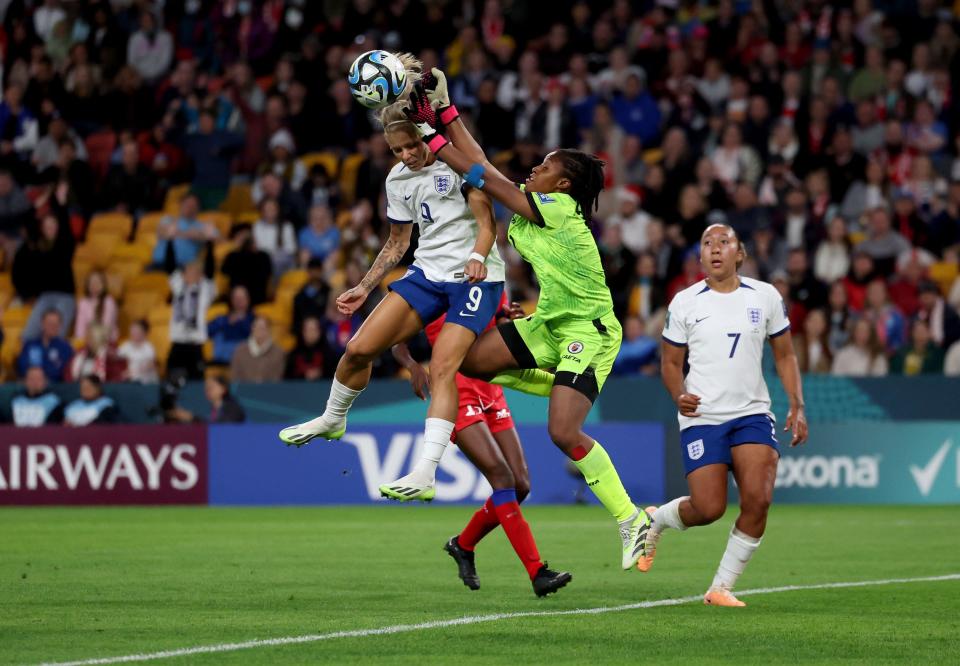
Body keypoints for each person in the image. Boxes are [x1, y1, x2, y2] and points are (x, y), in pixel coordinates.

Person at [384, 73, 653, 570]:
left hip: (588, 331)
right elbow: (484, 165)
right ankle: (567, 384)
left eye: (546, 166)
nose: (536, 167)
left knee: (562, 432)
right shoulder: (534, 206)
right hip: (549, 324)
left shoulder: (558, 206)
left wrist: (432, 135)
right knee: (471, 363)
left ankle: (631, 519)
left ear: (564, 184)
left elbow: (483, 177)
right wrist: (443, 110)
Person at [278, 57, 509, 508]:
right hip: (427, 274)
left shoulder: (459, 163)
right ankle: (332, 417)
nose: (406, 154)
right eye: (396, 149)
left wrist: (479, 257)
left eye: (410, 145)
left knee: (444, 367)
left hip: (474, 278)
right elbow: (398, 242)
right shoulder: (398, 180)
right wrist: (366, 286)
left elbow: (488, 221)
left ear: (422, 135)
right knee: (359, 349)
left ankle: (426, 470)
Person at [647, 223, 808, 607]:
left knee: (758, 500)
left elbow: (785, 354)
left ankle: (720, 587)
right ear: (701, 257)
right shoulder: (685, 302)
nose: (715, 248)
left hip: (751, 413)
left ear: (740, 254)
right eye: (707, 243)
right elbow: (670, 362)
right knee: (708, 508)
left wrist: (797, 404)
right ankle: (657, 519)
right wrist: (678, 394)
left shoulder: (766, 297)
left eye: (724, 242)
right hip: (702, 416)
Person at [392, 296, 571, 596]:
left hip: (491, 387)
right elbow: (397, 340)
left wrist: (510, 319)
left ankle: (463, 544)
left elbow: (498, 328)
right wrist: (412, 366)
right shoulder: (437, 286)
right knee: (502, 478)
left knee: (521, 485)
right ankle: (537, 572)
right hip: (455, 392)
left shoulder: (489, 282)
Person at [17, 309, 73, 382]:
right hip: (30, 385)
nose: (52, 327)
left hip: (54, 387)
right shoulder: (30, 345)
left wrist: (41, 376)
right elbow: (22, 366)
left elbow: (63, 371)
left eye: (56, 324)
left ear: (60, 326)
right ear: (42, 323)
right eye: (49, 323)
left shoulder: (65, 347)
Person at [230, 316, 286, 383]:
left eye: (263, 328)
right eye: (257, 327)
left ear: (269, 330)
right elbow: (235, 377)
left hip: (269, 391)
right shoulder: (240, 351)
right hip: (244, 391)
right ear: (252, 329)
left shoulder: (279, 352)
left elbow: (278, 377)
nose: (260, 331)